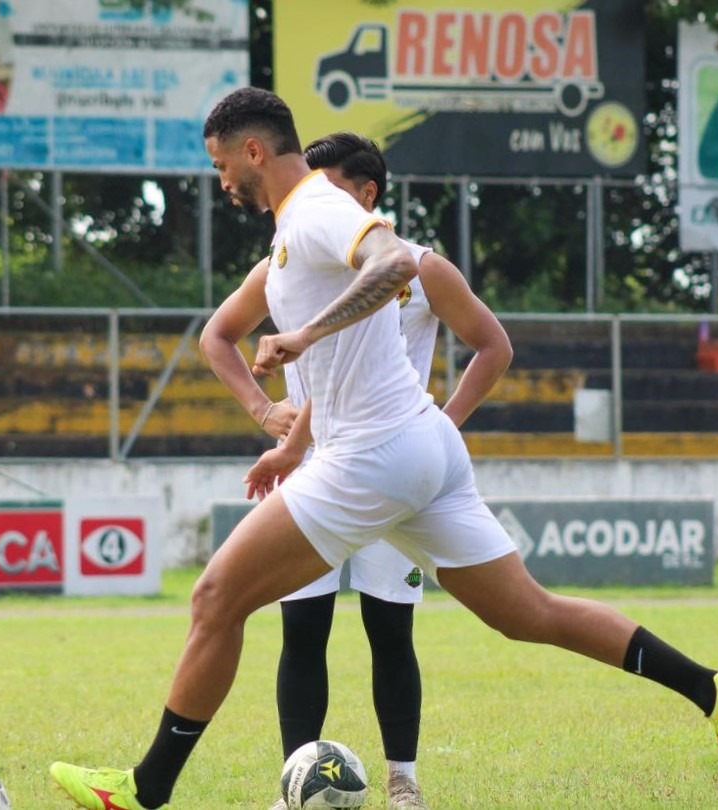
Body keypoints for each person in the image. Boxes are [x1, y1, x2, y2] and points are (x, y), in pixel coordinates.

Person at [49, 87, 718, 810]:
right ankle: (713, 691)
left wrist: (305, 334)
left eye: (221, 164)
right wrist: (288, 443)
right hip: (420, 444)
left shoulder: (318, 209)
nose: (221, 180)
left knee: (214, 598)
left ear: (253, 151)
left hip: (373, 455)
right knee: (529, 613)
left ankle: (143, 790)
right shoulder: (293, 231)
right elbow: (338, 376)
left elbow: (393, 262)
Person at [198, 131, 513, 810]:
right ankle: (295, 784)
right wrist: (267, 417)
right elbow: (218, 335)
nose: (313, 198)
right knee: (301, 632)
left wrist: (442, 422)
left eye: (330, 184)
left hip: (389, 464)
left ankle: (402, 779)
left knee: (388, 631)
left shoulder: (416, 267)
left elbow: (492, 346)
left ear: (366, 194)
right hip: (315, 469)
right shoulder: (292, 255)